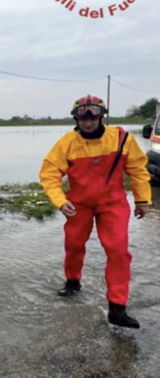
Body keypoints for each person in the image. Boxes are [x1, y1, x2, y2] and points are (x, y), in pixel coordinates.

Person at [39, 95, 151, 329]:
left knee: (118, 251)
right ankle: (72, 282)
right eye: (82, 118)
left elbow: (138, 171)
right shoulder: (67, 143)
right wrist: (60, 201)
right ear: (76, 118)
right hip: (78, 204)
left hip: (113, 204)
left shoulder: (121, 138)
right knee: (74, 245)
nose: (88, 122)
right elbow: (49, 175)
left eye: (93, 117)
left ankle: (117, 309)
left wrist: (142, 199)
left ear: (101, 116)